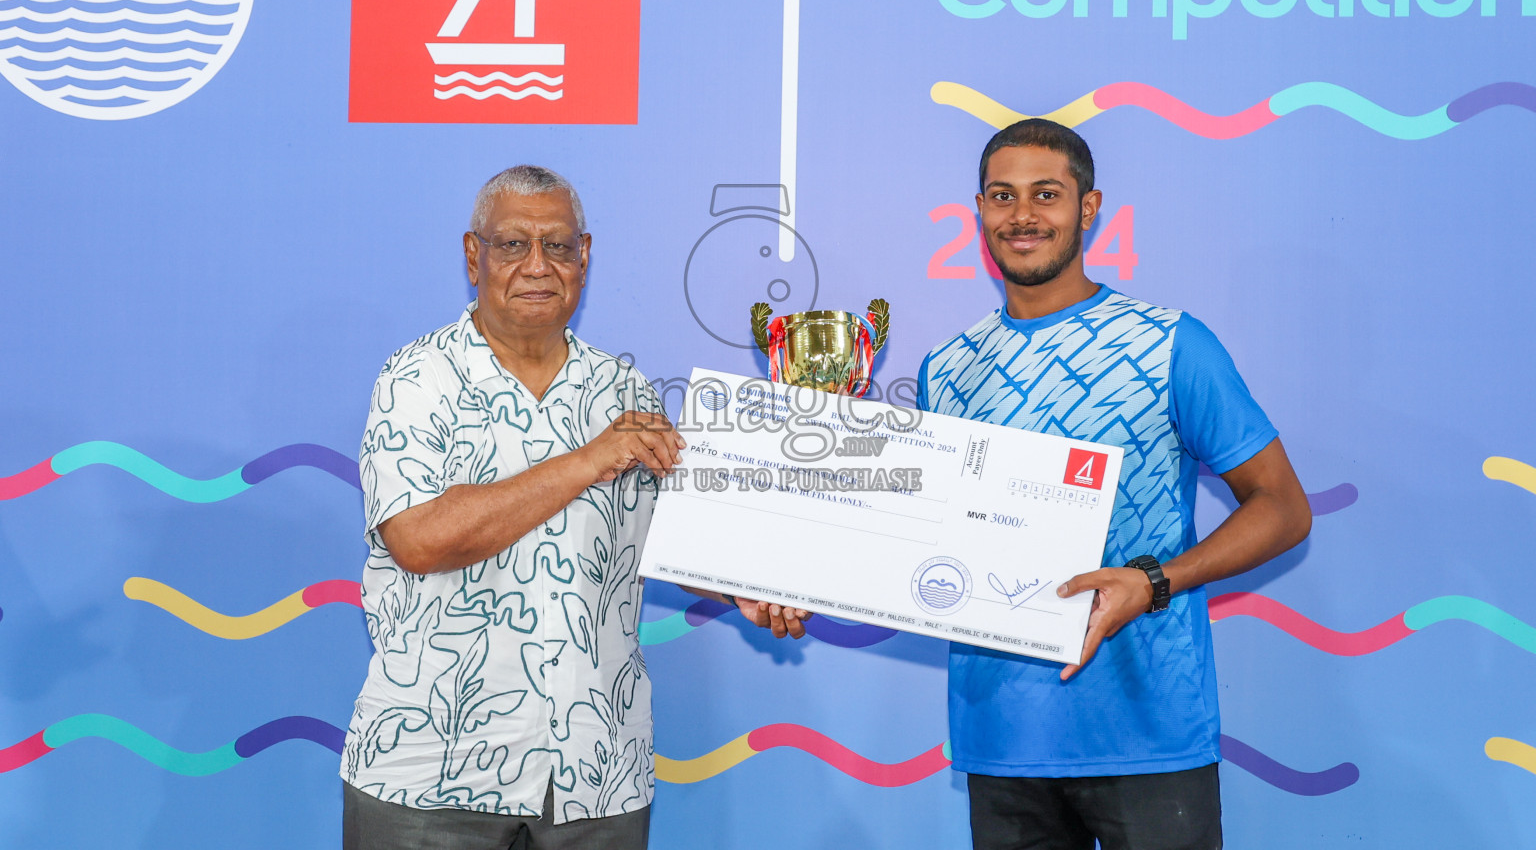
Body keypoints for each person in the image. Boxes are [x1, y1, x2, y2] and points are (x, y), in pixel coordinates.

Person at [340, 165, 804, 850]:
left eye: (557, 246)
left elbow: (663, 540)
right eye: (512, 246)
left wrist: (747, 589)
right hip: (430, 775)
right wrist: (588, 460)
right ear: (474, 256)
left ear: (584, 257)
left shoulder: (622, 388)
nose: (537, 266)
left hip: (596, 775)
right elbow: (419, 539)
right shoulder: (417, 377)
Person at [916, 120, 1312, 850]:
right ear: (979, 211)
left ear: (1089, 208)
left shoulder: (1169, 343)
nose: (1023, 215)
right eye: (1003, 196)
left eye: (1047, 194)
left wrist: (1153, 580)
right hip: (1002, 741)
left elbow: (1284, 509)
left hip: (1150, 735)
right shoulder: (946, 368)